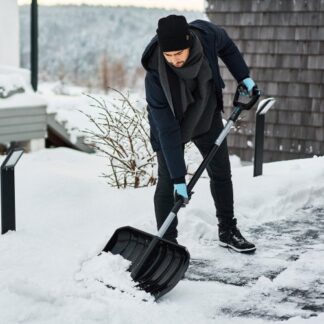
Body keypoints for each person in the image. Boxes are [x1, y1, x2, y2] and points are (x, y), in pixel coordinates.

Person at [141, 15, 258, 253]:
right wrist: (178, 179)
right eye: (168, 55)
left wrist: (243, 76)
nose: (174, 60)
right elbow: (167, 129)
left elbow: (226, 46)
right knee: (167, 182)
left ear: (189, 42)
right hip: (171, 126)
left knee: (222, 173)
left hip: (205, 114)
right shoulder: (155, 75)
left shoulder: (205, 34)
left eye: (179, 53)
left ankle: (227, 230)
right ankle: (168, 243)